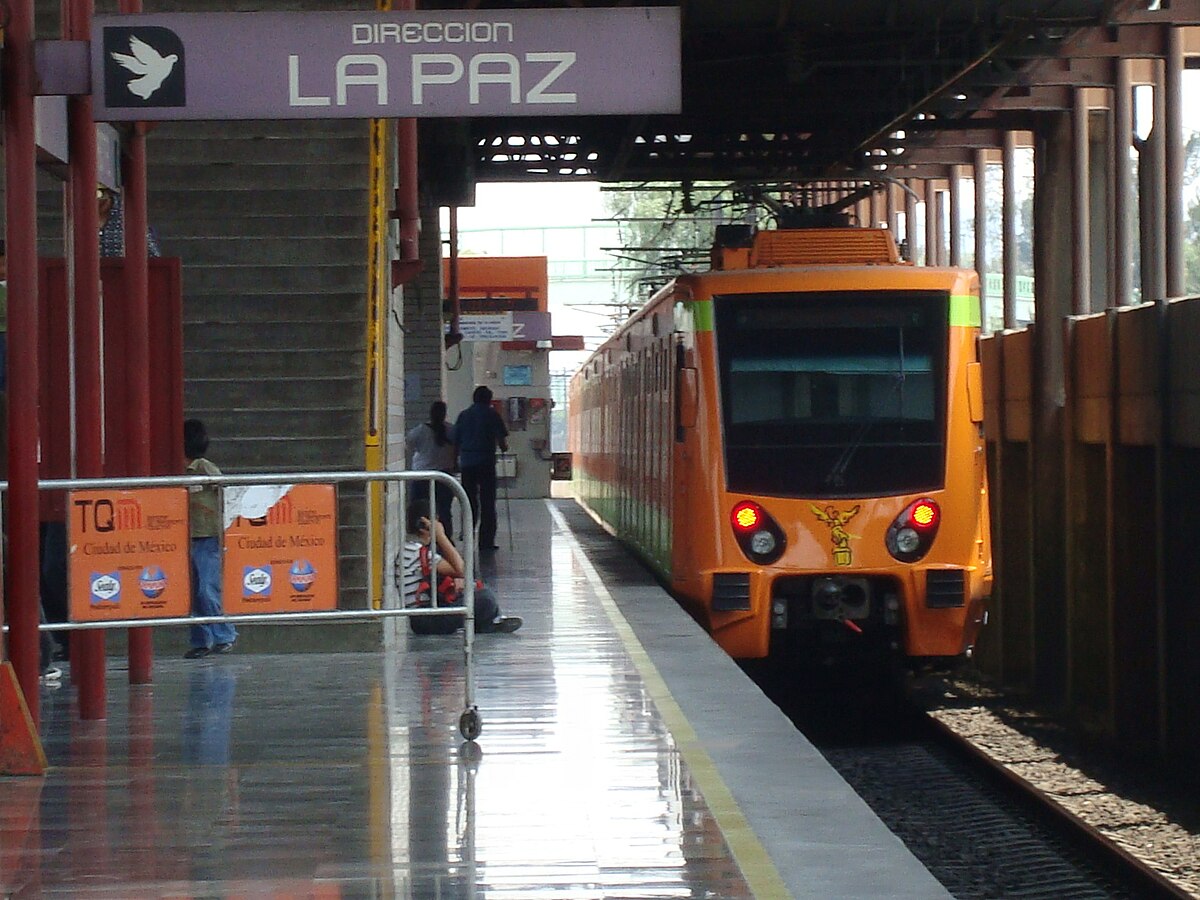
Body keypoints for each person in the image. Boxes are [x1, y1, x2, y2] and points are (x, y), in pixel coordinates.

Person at [400, 498, 521, 635]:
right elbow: (462, 570)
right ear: (425, 524)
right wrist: (441, 536)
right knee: (485, 597)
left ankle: (492, 621)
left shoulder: (408, 549)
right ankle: (490, 623)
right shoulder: (417, 552)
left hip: (422, 618)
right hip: (428, 618)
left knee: (475, 587)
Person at [184, 419, 237, 658]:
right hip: (187, 537)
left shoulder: (203, 467)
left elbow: (225, 489)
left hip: (208, 536)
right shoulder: (180, 471)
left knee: (207, 589)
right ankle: (201, 640)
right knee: (192, 593)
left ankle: (224, 635)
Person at [453, 386, 508, 552]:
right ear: (488, 399)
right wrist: (502, 447)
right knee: (488, 503)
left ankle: (468, 536)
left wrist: (455, 461)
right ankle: (486, 542)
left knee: (469, 501)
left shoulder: (464, 415)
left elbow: (456, 441)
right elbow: (502, 441)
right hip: (486, 463)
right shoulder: (492, 415)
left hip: (467, 464)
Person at [406, 400, 457, 538]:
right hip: (444, 477)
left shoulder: (420, 431)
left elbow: (409, 445)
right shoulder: (452, 431)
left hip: (421, 477)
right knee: (444, 511)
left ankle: (421, 538)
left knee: (420, 510)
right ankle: (445, 540)